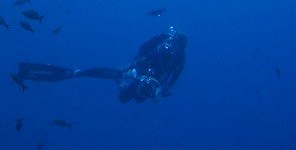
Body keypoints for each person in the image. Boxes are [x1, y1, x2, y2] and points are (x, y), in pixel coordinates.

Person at [11, 28, 187, 103]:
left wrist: (139, 64)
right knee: (126, 95)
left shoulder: (167, 45)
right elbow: (174, 75)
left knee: (125, 97)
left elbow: (143, 49)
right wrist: (164, 86)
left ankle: (77, 73)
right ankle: (76, 73)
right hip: (142, 70)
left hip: (142, 72)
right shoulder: (174, 51)